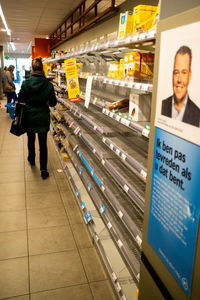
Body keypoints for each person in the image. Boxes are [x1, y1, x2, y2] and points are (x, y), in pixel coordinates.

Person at [17, 58, 57, 179]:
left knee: (30, 139)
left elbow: (20, 101)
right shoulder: (48, 85)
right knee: (43, 143)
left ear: (32, 69)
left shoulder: (25, 83)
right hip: (43, 116)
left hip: (29, 116)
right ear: (42, 69)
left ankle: (31, 159)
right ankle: (43, 169)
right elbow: (53, 103)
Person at [161, 45, 200, 127]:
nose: (179, 80)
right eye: (176, 72)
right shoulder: (162, 106)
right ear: (172, 75)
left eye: (184, 72)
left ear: (189, 75)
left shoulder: (197, 114)